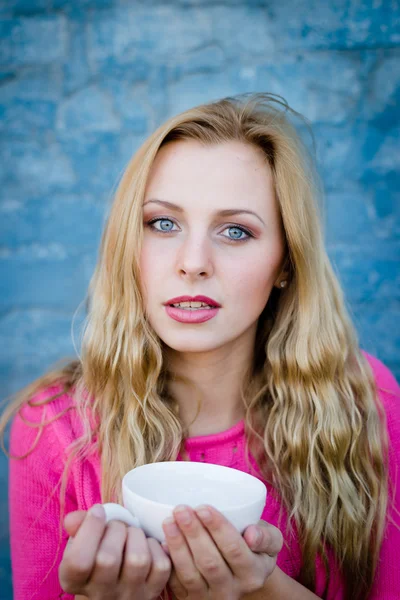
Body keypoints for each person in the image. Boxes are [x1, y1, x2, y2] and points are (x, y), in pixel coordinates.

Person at [1, 93, 399, 600]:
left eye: (235, 231)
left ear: (284, 263)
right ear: (129, 243)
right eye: (163, 224)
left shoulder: (366, 400)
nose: (193, 262)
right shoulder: (53, 427)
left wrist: (262, 589)